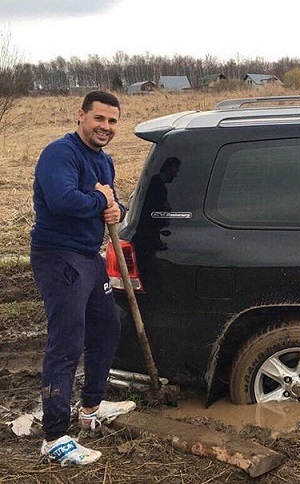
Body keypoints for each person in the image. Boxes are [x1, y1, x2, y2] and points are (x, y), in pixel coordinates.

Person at [30, 91, 136, 466]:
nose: (106, 127)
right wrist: (100, 202)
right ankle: (55, 436)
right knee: (67, 341)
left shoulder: (103, 161)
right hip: (58, 257)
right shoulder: (60, 153)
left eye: (112, 121)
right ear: (81, 116)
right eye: (99, 119)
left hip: (88, 255)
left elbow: (115, 203)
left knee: (107, 328)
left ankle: (90, 407)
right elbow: (62, 200)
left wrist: (113, 206)